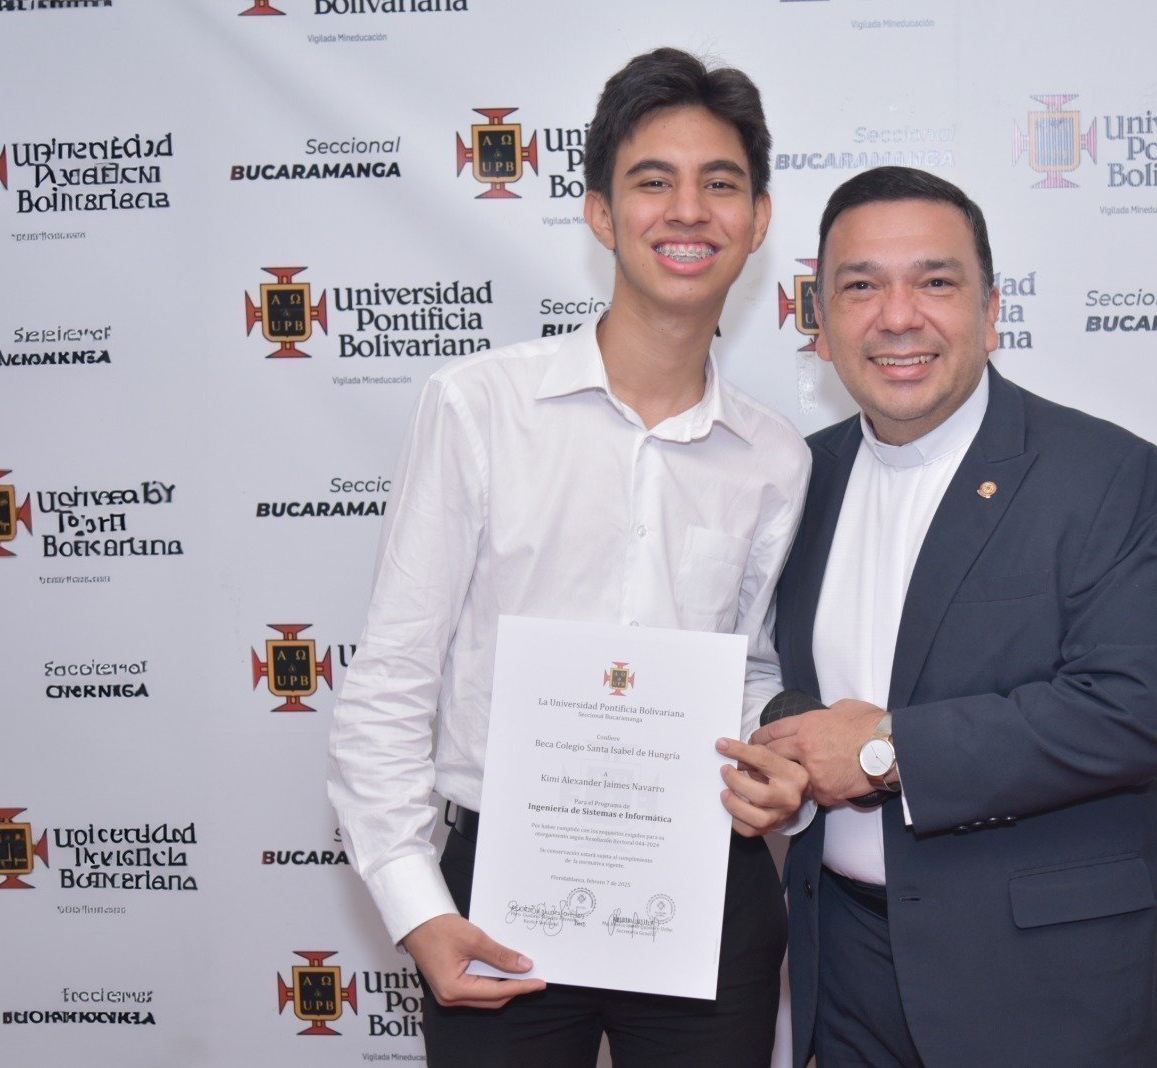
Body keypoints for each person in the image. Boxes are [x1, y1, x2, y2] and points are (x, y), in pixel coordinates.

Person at [328, 48, 810, 1067]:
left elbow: (744, 664)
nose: (688, 211)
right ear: (600, 212)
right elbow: (393, 677)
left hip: (703, 891)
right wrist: (418, 906)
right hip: (500, 895)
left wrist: (778, 759)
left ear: (759, 218)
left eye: (720, 184)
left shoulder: (776, 457)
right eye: (653, 181)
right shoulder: (478, 408)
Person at [752, 166, 1157, 1067]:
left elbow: (1137, 709)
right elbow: (777, 675)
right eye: (861, 286)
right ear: (820, 323)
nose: (898, 317)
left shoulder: (1101, 474)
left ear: (991, 312)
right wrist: (785, 747)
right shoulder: (796, 478)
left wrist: (883, 751)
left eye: (936, 282)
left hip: (1044, 985)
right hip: (845, 973)